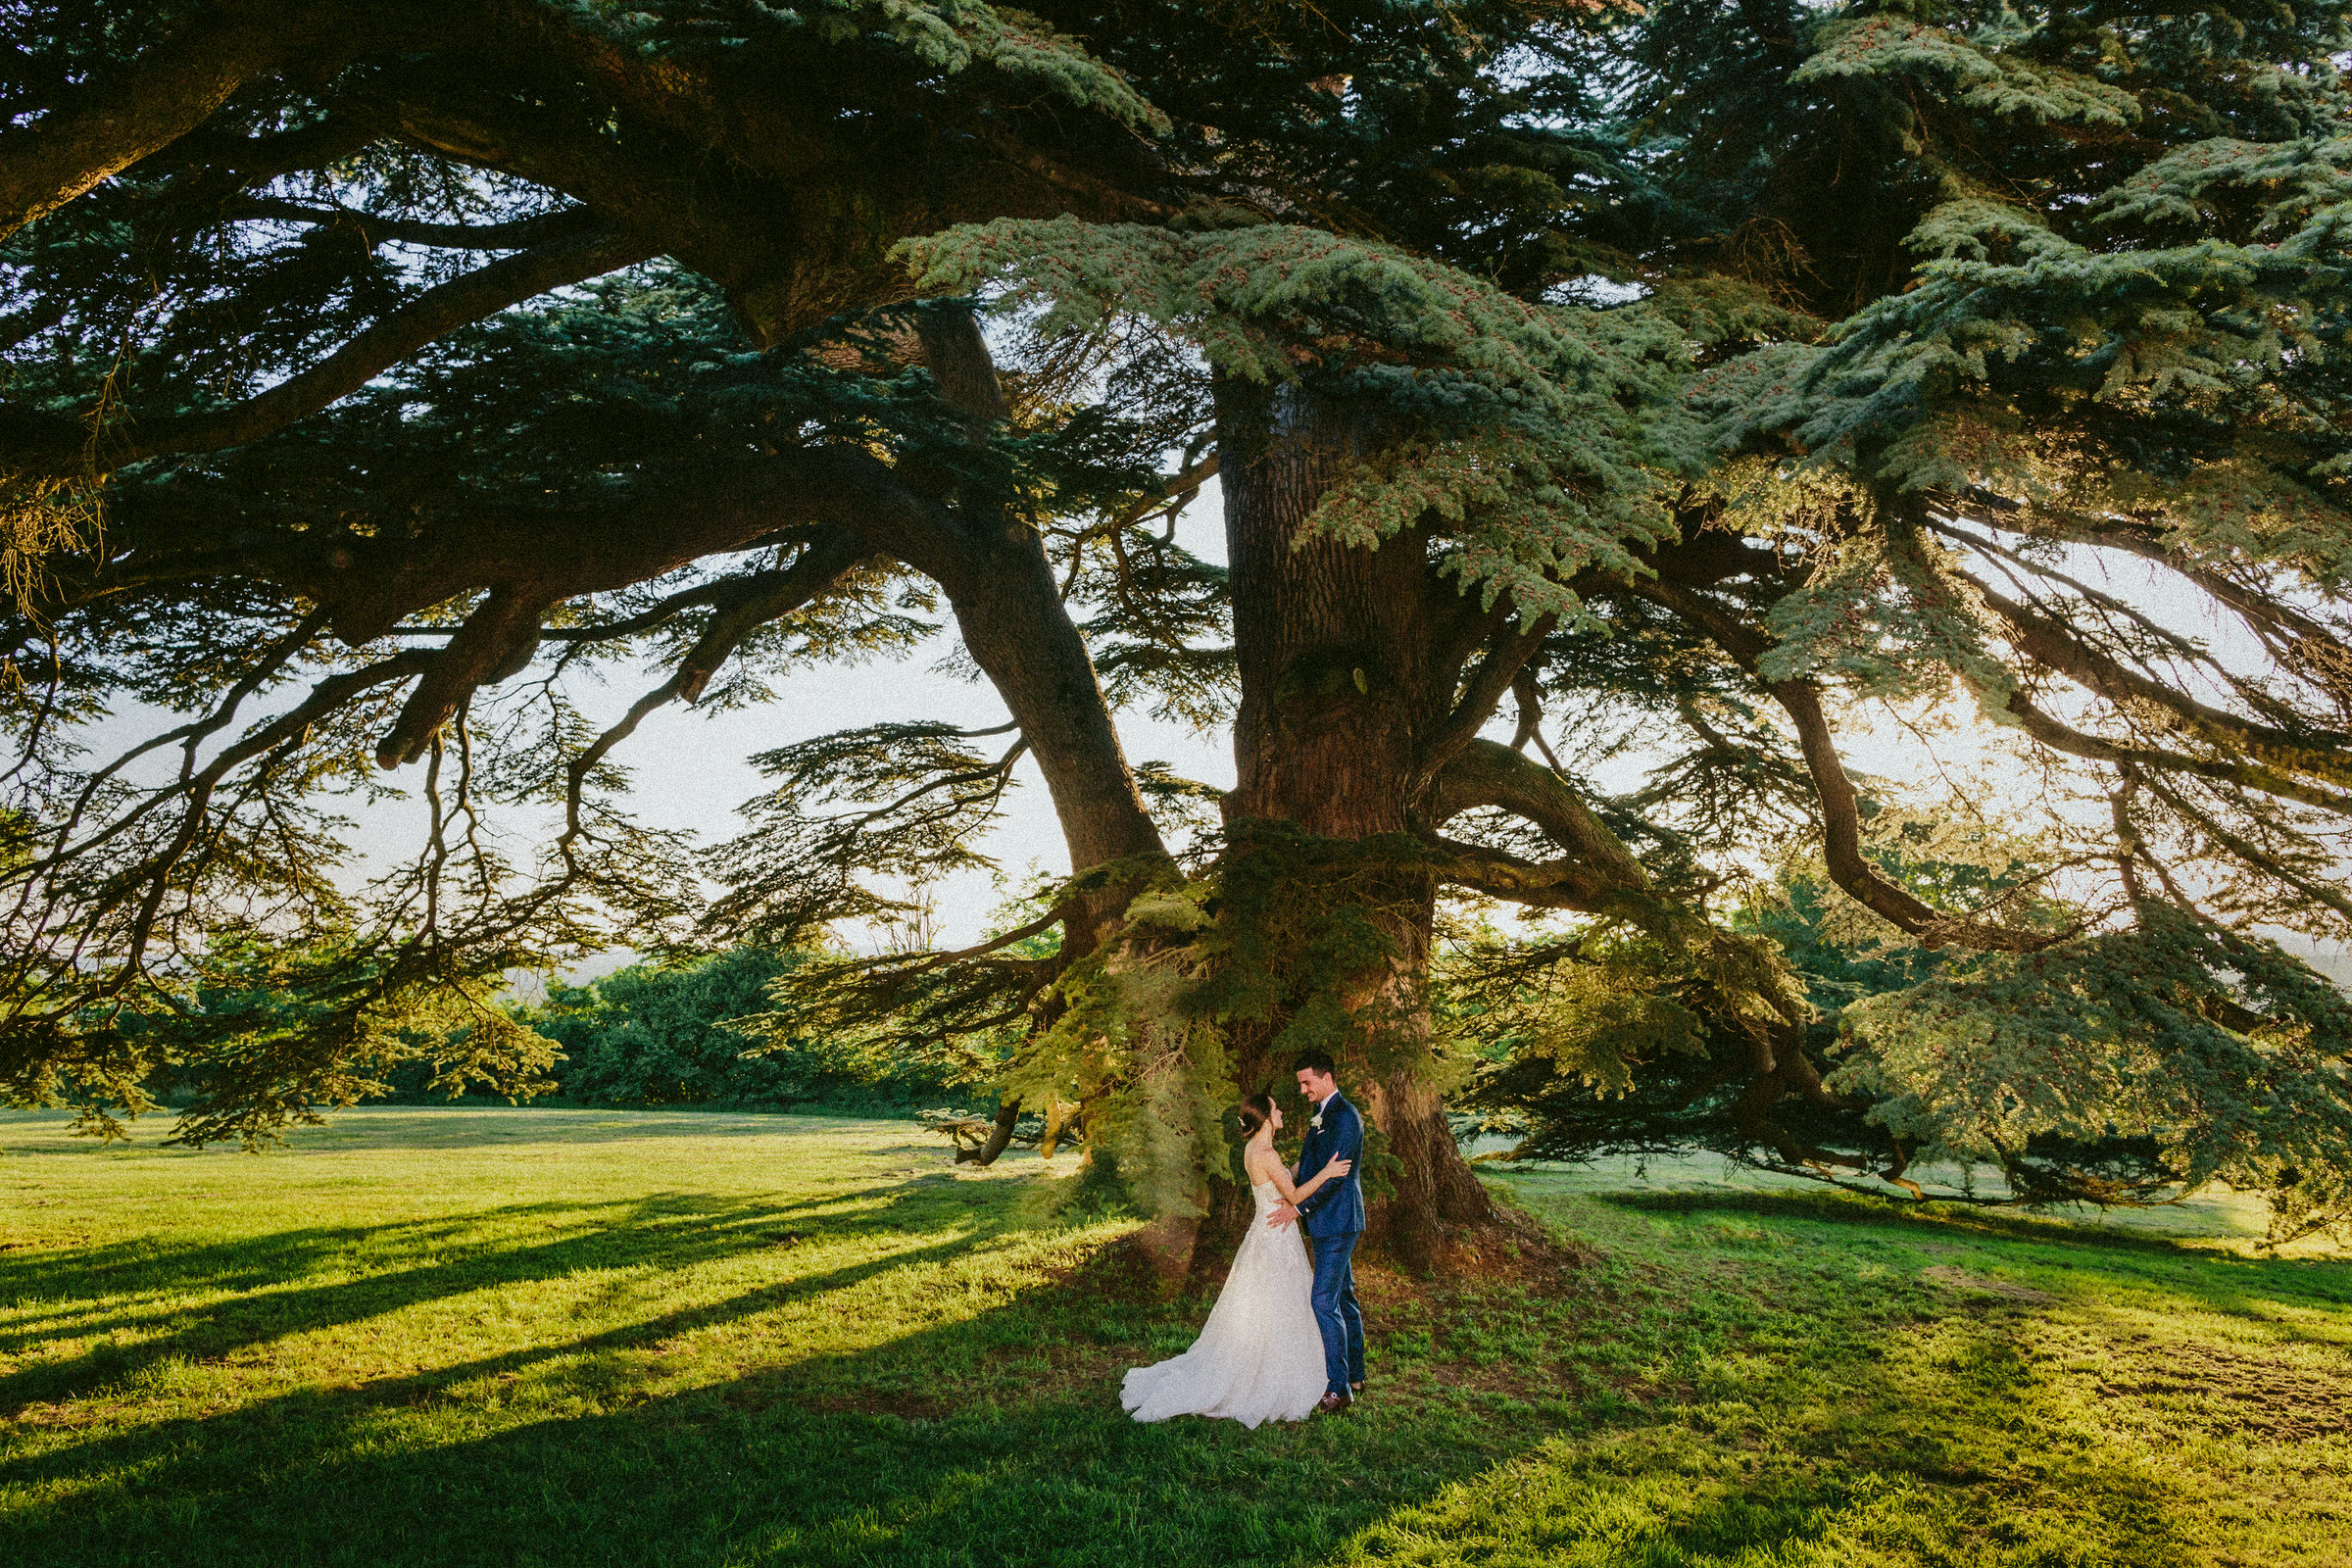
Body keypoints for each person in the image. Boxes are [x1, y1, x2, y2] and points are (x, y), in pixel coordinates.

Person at [1119, 1093, 1353, 1427]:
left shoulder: (1253, 1150)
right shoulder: (1267, 1153)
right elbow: (1296, 1195)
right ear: (1266, 1118)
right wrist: (1328, 1172)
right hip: (1277, 1239)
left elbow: (1282, 1177)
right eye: (1277, 1108)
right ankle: (1280, 1373)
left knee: (1270, 1306)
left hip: (1264, 1233)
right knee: (1283, 1304)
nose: (1282, 1110)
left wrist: (1303, 1163)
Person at [1266, 1052, 1365, 1412]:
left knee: (1323, 1301)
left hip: (1338, 1220)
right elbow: (1309, 1165)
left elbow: (1336, 1175)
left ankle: (1338, 1389)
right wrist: (1278, 1179)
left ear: (1327, 1078)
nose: (1303, 1090)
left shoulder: (1346, 1117)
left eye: (1308, 1082)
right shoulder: (1321, 1117)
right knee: (1344, 1297)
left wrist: (1298, 1208)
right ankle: (1355, 1374)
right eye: (1301, 1084)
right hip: (1327, 1222)